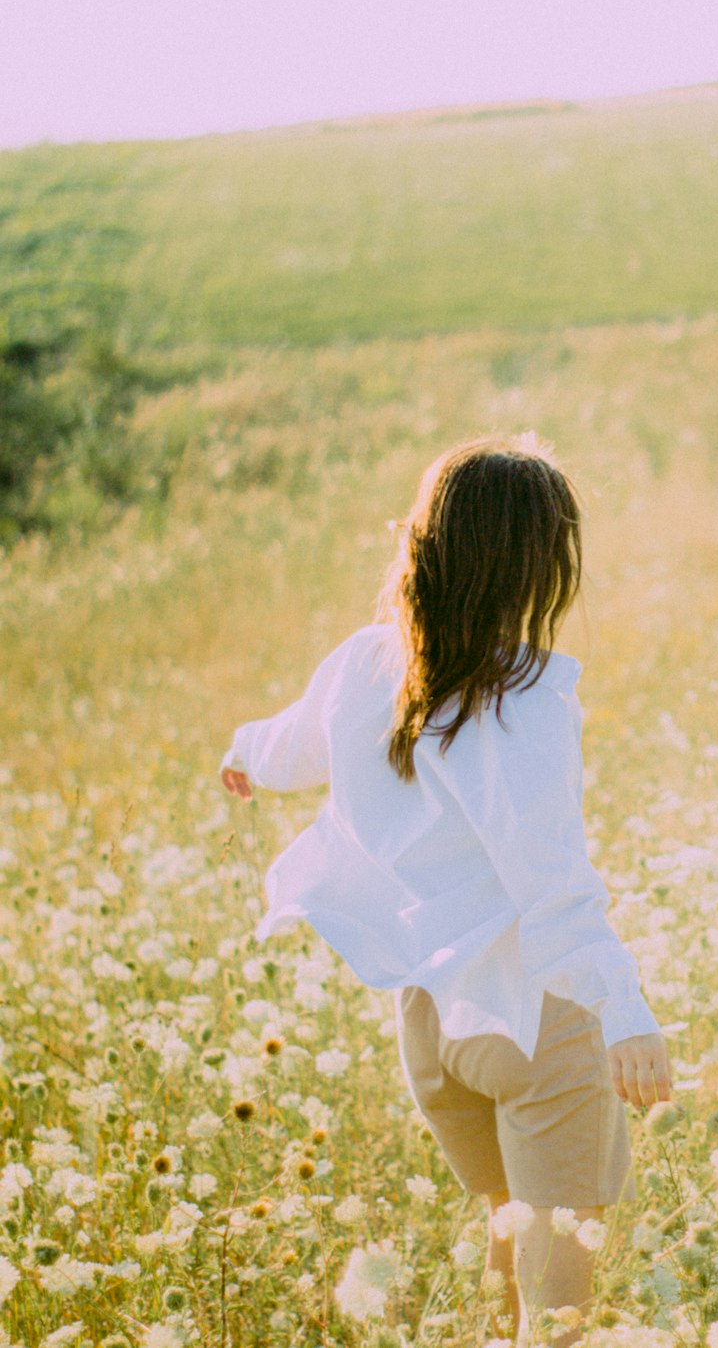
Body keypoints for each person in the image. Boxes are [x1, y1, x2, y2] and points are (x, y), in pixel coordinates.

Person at [220, 433, 672, 1346]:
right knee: (560, 1312)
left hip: (431, 1027)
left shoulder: (363, 664)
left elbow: (288, 745)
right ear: (535, 566)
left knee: (509, 1235)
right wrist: (624, 1009)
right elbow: (550, 880)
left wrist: (241, 753)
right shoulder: (525, 697)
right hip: (534, 1019)